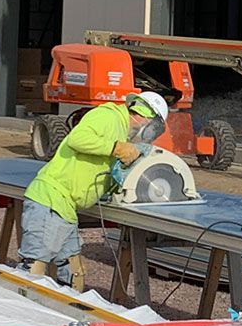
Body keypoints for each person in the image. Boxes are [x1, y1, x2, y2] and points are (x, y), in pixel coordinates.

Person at [19, 91, 169, 287]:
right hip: (50, 200)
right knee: (33, 270)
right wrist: (116, 148)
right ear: (144, 118)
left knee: (75, 273)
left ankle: (69, 314)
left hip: (66, 209)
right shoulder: (108, 116)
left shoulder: (122, 132)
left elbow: (104, 169)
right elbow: (77, 139)